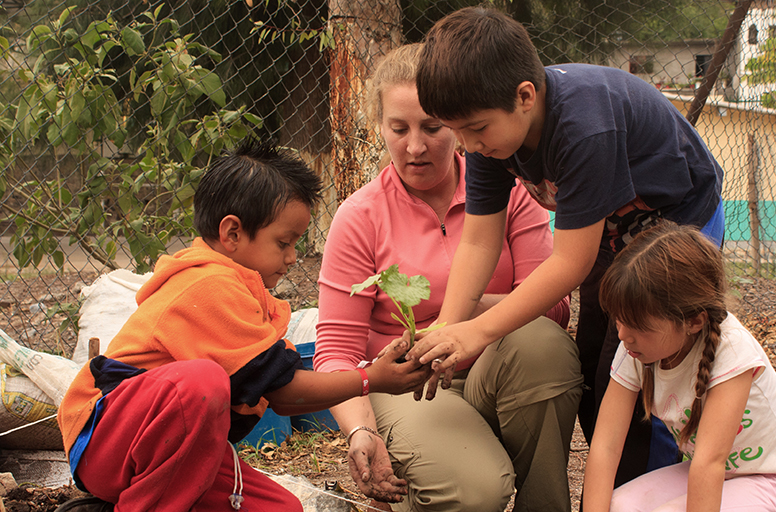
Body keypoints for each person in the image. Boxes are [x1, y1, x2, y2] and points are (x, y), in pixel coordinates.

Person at [409, 6, 726, 486]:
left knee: (648, 370)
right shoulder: (491, 137)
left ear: (524, 96)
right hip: (613, 233)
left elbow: (570, 263)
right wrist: (451, 326)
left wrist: (479, 332)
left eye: (475, 129)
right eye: (458, 131)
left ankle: (659, 489)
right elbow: (478, 238)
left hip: (680, 228)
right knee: (597, 371)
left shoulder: (584, 125)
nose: (468, 146)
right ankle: (617, 489)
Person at [56, 141, 431, 512]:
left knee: (283, 509)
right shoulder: (207, 285)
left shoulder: (245, 293)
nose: (293, 256)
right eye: (283, 242)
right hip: (106, 443)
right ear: (232, 233)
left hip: (182, 457)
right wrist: (372, 379)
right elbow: (285, 392)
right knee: (202, 382)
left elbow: (282, 394)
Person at [314, 43, 583, 512]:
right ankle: (438, 487)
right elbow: (337, 351)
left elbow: (554, 307)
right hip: (409, 388)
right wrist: (361, 428)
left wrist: (463, 316)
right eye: (398, 128)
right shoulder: (359, 216)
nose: (414, 146)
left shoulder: (510, 190)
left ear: (458, 126)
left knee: (541, 343)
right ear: (380, 126)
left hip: (497, 369)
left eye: (432, 127)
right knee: (475, 493)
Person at [581, 221, 776, 511]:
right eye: (619, 319)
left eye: (637, 325)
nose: (622, 335)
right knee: (619, 505)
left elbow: (710, 463)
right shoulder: (636, 347)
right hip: (722, 473)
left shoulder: (732, 351)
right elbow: (606, 447)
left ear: (694, 321)